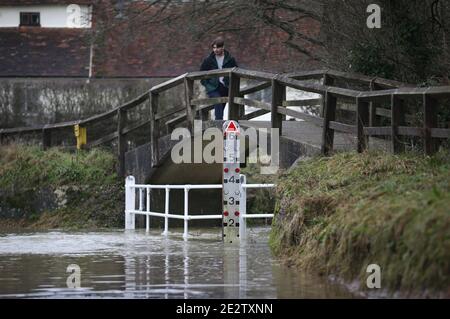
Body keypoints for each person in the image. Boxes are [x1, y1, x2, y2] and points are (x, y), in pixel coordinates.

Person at [200, 37, 238, 120]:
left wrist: (231, 84)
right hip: (213, 87)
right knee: (218, 102)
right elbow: (201, 74)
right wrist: (207, 85)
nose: (215, 50)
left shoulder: (230, 59)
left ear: (223, 47)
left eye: (217, 47)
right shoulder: (208, 60)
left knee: (222, 108)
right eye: (214, 48)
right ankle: (219, 125)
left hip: (226, 87)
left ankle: (219, 124)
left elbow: (236, 72)